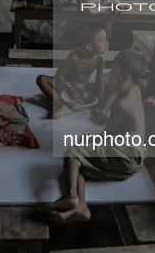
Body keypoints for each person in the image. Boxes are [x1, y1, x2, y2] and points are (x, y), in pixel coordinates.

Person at [45, 49, 148, 224]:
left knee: (73, 152)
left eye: (122, 78)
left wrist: (86, 141)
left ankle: (70, 195)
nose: (114, 79)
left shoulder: (122, 105)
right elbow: (114, 90)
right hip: (134, 156)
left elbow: (106, 134)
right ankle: (82, 207)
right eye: (113, 72)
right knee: (80, 166)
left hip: (125, 154)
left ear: (135, 82)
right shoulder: (132, 91)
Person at [36, 27, 108, 119]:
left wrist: (100, 101)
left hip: (84, 87)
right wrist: (69, 90)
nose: (107, 43)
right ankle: (61, 106)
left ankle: (103, 110)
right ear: (89, 46)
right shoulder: (74, 57)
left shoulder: (100, 59)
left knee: (110, 86)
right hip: (66, 84)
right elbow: (59, 75)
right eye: (103, 41)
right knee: (41, 79)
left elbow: (99, 82)